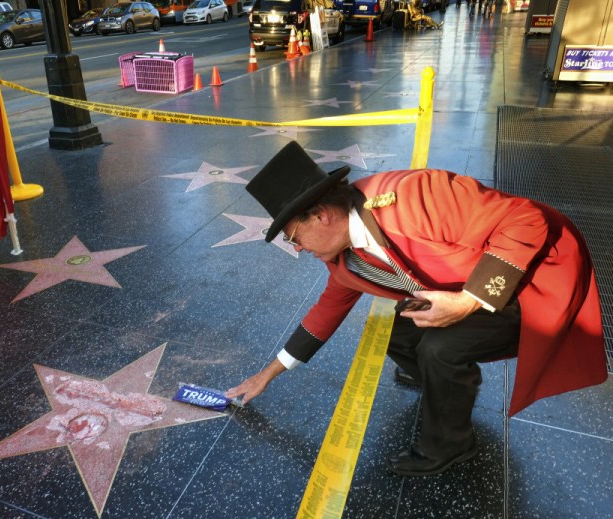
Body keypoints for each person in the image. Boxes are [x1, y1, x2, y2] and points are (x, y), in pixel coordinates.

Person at [226, 141, 608, 477]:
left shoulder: (415, 197)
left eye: (294, 236)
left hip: (531, 281)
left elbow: (527, 220)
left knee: (440, 349)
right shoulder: (343, 260)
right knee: (393, 331)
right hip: (463, 285)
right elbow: (323, 316)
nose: (296, 248)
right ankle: (445, 386)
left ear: (322, 214)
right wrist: (267, 375)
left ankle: (450, 445)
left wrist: (467, 302)